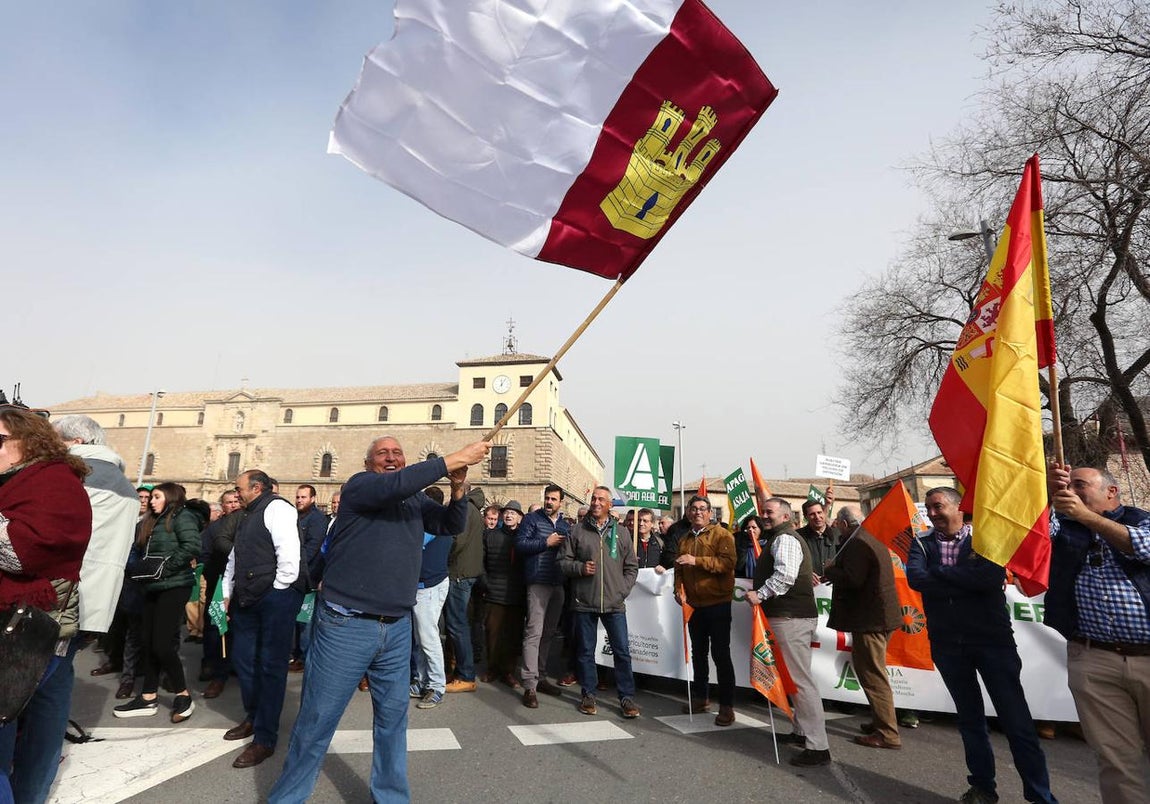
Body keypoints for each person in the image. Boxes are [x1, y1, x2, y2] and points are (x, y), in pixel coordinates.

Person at [266, 436, 488, 804]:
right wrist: (454, 458)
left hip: (397, 627)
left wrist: (458, 486)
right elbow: (395, 485)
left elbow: (449, 523)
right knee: (317, 721)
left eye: (397, 452)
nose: (391, 457)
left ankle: (390, 797)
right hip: (345, 625)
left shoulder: (415, 500)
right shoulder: (361, 486)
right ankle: (286, 799)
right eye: (382, 453)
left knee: (392, 722)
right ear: (370, 463)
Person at [907, 487, 1057, 804]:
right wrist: (963, 577)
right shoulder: (920, 542)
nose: (932, 514)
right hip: (948, 644)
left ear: (959, 508)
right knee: (970, 721)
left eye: (939, 507)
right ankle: (982, 787)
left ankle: (1040, 794)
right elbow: (917, 579)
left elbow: (988, 578)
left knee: (1016, 722)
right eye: (929, 508)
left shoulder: (986, 539)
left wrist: (942, 574)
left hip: (992, 642)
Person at [0, 406, 93, 803]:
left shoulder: (55, 483)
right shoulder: (18, 481)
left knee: (32, 734)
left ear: (28, 441)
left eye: (0, 439)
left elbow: (22, 554)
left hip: (31, 628)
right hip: (24, 626)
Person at [1045, 464, 1150, 803]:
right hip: (1093, 657)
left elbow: (1144, 547)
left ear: (1111, 492)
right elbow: (1031, 537)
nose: (1072, 492)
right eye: (1068, 485)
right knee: (1116, 758)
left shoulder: (1140, 519)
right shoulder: (1064, 526)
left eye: (1080, 485)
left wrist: (1089, 519)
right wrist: (1044, 492)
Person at [219, 470, 304, 769]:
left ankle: (265, 738)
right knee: (244, 661)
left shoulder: (277, 508)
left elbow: (289, 556)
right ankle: (253, 717)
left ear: (256, 488)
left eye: (239, 488)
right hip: (247, 600)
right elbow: (235, 558)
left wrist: (276, 592)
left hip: (272, 600)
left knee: (270, 668)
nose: (235, 493)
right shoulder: (246, 515)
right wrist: (228, 592)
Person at [746, 496, 831, 766]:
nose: (764, 515)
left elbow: (785, 576)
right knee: (794, 679)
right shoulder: (780, 538)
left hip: (791, 618)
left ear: (785, 516)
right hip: (788, 617)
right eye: (763, 512)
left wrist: (760, 594)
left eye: (769, 512)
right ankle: (802, 731)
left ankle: (818, 747)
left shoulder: (786, 539)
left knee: (800, 680)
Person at [113, 482, 201, 724]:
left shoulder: (182, 517)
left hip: (174, 586)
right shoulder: (151, 521)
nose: (151, 501)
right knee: (148, 641)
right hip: (151, 586)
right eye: (151, 497)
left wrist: (164, 568)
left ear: (170, 497)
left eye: (157, 496)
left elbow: (192, 546)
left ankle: (183, 694)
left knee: (162, 644)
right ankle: (148, 695)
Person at [823, 505, 902, 751]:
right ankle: (882, 720)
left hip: (870, 620)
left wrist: (831, 570)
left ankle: (887, 732)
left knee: (872, 674)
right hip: (877, 617)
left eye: (837, 522)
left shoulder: (858, 543)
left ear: (846, 524)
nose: (835, 526)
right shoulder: (868, 537)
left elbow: (853, 578)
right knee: (872, 671)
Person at [560, 486, 640, 718]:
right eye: (593, 498)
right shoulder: (576, 531)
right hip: (585, 601)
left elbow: (631, 568)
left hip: (614, 604)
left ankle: (626, 698)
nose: (595, 502)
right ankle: (588, 694)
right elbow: (562, 563)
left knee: (622, 651)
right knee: (585, 651)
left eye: (601, 499)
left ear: (609, 505)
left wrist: (621, 591)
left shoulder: (623, 533)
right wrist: (580, 568)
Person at [673, 495, 737, 726]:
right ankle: (701, 698)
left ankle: (727, 707)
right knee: (699, 654)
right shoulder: (684, 538)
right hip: (695, 606)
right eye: (694, 509)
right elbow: (678, 568)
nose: (698, 512)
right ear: (688, 513)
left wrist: (697, 561)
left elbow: (727, 564)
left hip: (718, 604)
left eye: (702, 509)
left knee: (721, 655)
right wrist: (677, 589)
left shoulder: (723, 535)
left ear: (710, 513)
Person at [516, 483, 570, 707]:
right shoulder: (532, 520)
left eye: (553, 499)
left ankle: (541, 676)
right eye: (547, 498)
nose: (549, 502)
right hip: (538, 581)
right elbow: (520, 544)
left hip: (558, 583)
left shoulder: (566, 525)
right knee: (534, 632)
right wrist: (545, 543)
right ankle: (529, 685)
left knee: (548, 633)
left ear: (560, 502)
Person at [409, 486, 452, 710]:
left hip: (429, 586)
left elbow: (412, 543)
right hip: (427, 584)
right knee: (422, 636)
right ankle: (423, 680)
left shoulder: (432, 524)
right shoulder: (437, 522)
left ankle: (436, 685)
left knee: (427, 637)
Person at [199, 489, 242, 698]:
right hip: (218, 585)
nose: (233, 505)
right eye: (228, 502)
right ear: (222, 506)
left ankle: (232, 663)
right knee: (215, 627)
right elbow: (204, 555)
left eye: (236, 501)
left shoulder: (247, 525)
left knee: (235, 629)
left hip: (240, 587)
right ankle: (213, 667)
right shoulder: (213, 529)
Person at [444, 486, 485, 693]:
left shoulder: (465, 509)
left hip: (459, 572)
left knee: (457, 625)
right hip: (466, 572)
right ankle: (460, 669)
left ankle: (466, 674)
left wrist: (442, 556)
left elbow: (456, 540)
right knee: (458, 624)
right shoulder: (474, 508)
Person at [481, 500, 527, 688]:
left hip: (517, 594)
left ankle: (508, 671)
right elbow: (481, 562)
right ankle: (492, 668)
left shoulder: (524, 538)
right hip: (494, 593)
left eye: (513, 513)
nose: (509, 515)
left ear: (520, 517)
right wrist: (486, 584)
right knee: (493, 634)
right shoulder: (490, 535)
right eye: (507, 512)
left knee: (513, 635)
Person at [289, 484, 328, 673]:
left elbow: (313, 547)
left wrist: (291, 560)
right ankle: (296, 654)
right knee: (296, 619)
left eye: (303, 497)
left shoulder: (317, 519)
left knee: (306, 621)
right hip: (294, 577)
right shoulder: (293, 517)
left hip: (308, 577)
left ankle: (304, 658)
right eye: (297, 497)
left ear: (312, 499)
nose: (299, 500)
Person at [797, 495, 836, 584]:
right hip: (808, 588)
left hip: (835, 588)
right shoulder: (798, 537)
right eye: (812, 514)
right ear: (806, 517)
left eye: (819, 512)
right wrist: (805, 573)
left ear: (824, 513)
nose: (817, 517)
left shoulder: (838, 535)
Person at [734, 514, 768, 579]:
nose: (750, 530)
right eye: (748, 527)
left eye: (754, 527)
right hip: (742, 583)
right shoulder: (739, 544)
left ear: (760, 529)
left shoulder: (767, 545)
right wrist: (743, 548)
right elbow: (738, 566)